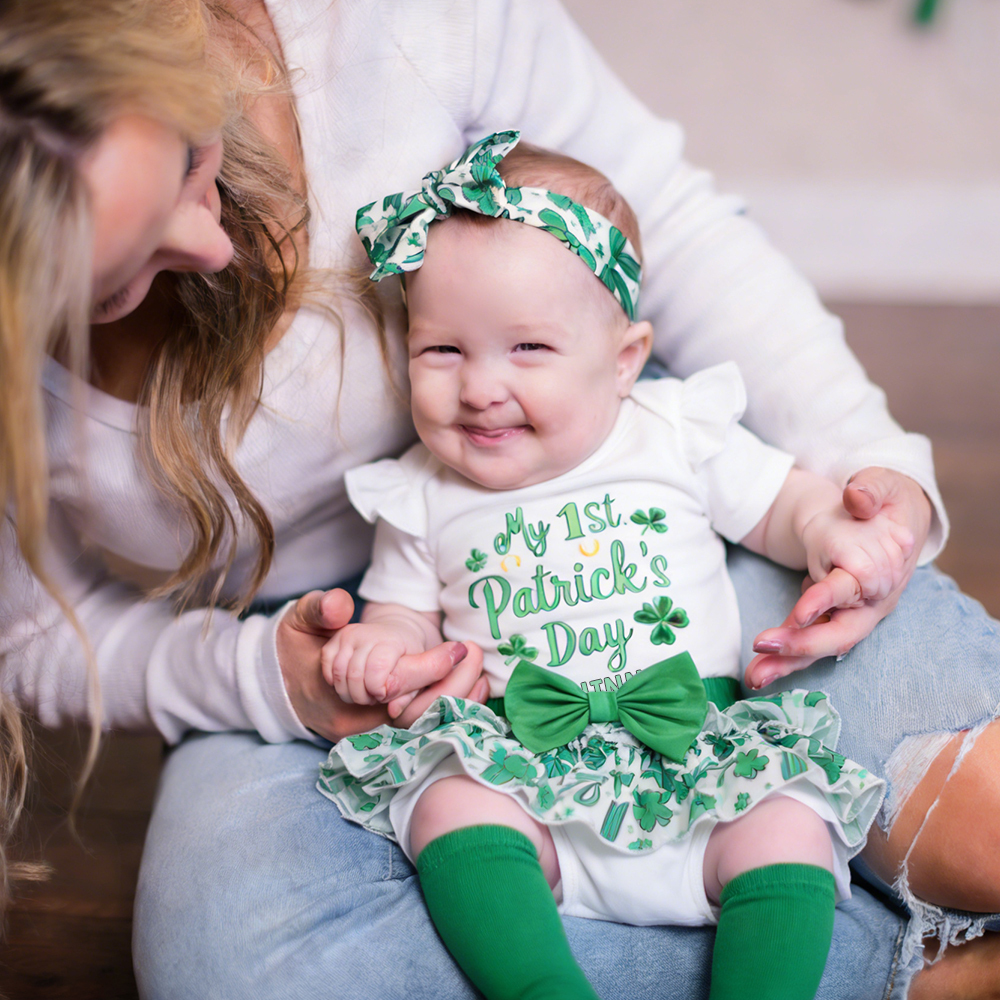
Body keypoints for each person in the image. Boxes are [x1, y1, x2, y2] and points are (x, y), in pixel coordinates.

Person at [0, 1, 998, 998]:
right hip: (356, 674)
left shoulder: (666, 430)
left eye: (184, 160)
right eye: (113, 280)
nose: (212, 251)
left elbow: (760, 449)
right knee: (238, 960)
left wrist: (858, 492)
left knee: (971, 825)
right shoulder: (414, 500)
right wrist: (285, 673)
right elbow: (36, 634)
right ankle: (890, 968)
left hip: (692, 635)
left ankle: (799, 895)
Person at [317, 131, 897, 1000]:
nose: (479, 387)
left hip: (695, 756)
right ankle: (543, 986)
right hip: (524, 771)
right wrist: (382, 648)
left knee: (788, 824)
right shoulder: (421, 495)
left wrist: (827, 532)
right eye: (443, 350)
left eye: (528, 350)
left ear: (625, 361)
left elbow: (783, 503)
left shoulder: (673, 431)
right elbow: (404, 616)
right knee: (447, 804)